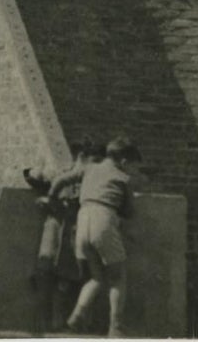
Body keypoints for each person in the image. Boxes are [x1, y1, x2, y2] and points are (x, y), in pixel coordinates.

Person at [48, 136, 143, 337]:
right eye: (133, 166)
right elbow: (129, 212)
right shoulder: (122, 178)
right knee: (117, 278)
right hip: (104, 220)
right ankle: (116, 328)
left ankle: (74, 319)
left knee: (96, 277)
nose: (132, 170)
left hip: (83, 221)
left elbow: (61, 180)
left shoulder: (89, 168)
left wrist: (51, 199)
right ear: (124, 162)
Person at [24, 138, 105, 333]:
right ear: (82, 157)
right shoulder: (65, 172)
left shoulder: (88, 177)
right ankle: (46, 326)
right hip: (57, 229)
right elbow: (32, 176)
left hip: (71, 232)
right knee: (47, 277)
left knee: (65, 280)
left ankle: (56, 326)